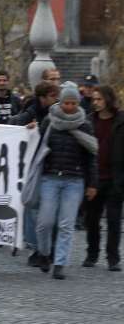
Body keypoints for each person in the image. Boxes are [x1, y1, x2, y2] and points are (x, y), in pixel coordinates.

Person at [34, 83, 98, 280]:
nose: (69, 106)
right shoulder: (49, 122)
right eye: (66, 103)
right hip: (50, 177)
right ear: (60, 102)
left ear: (77, 103)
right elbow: (38, 146)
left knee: (66, 224)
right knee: (45, 222)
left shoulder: (84, 124)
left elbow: (91, 157)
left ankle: (60, 262)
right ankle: (44, 253)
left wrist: (92, 183)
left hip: (74, 180)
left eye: (73, 103)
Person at [9, 81, 60, 265]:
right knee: (34, 209)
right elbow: (13, 123)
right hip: (37, 166)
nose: (57, 100)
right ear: (43, 98)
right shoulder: (33, 110)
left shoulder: (59, 111)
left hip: (54, 166)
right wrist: (27, 127)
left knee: (51, 212)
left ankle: (48, 249)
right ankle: (37, 248)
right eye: (53, 96)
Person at [82, 85, 123, 272]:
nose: (95, 102)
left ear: (108, 99)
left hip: (115, 177)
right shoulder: (89, 121)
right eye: (94, 100)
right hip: (94, 178)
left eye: (99, 99)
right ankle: (92, 254)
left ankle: (113, 258)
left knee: (114, 220)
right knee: (92, 219)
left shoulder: (121, 121)